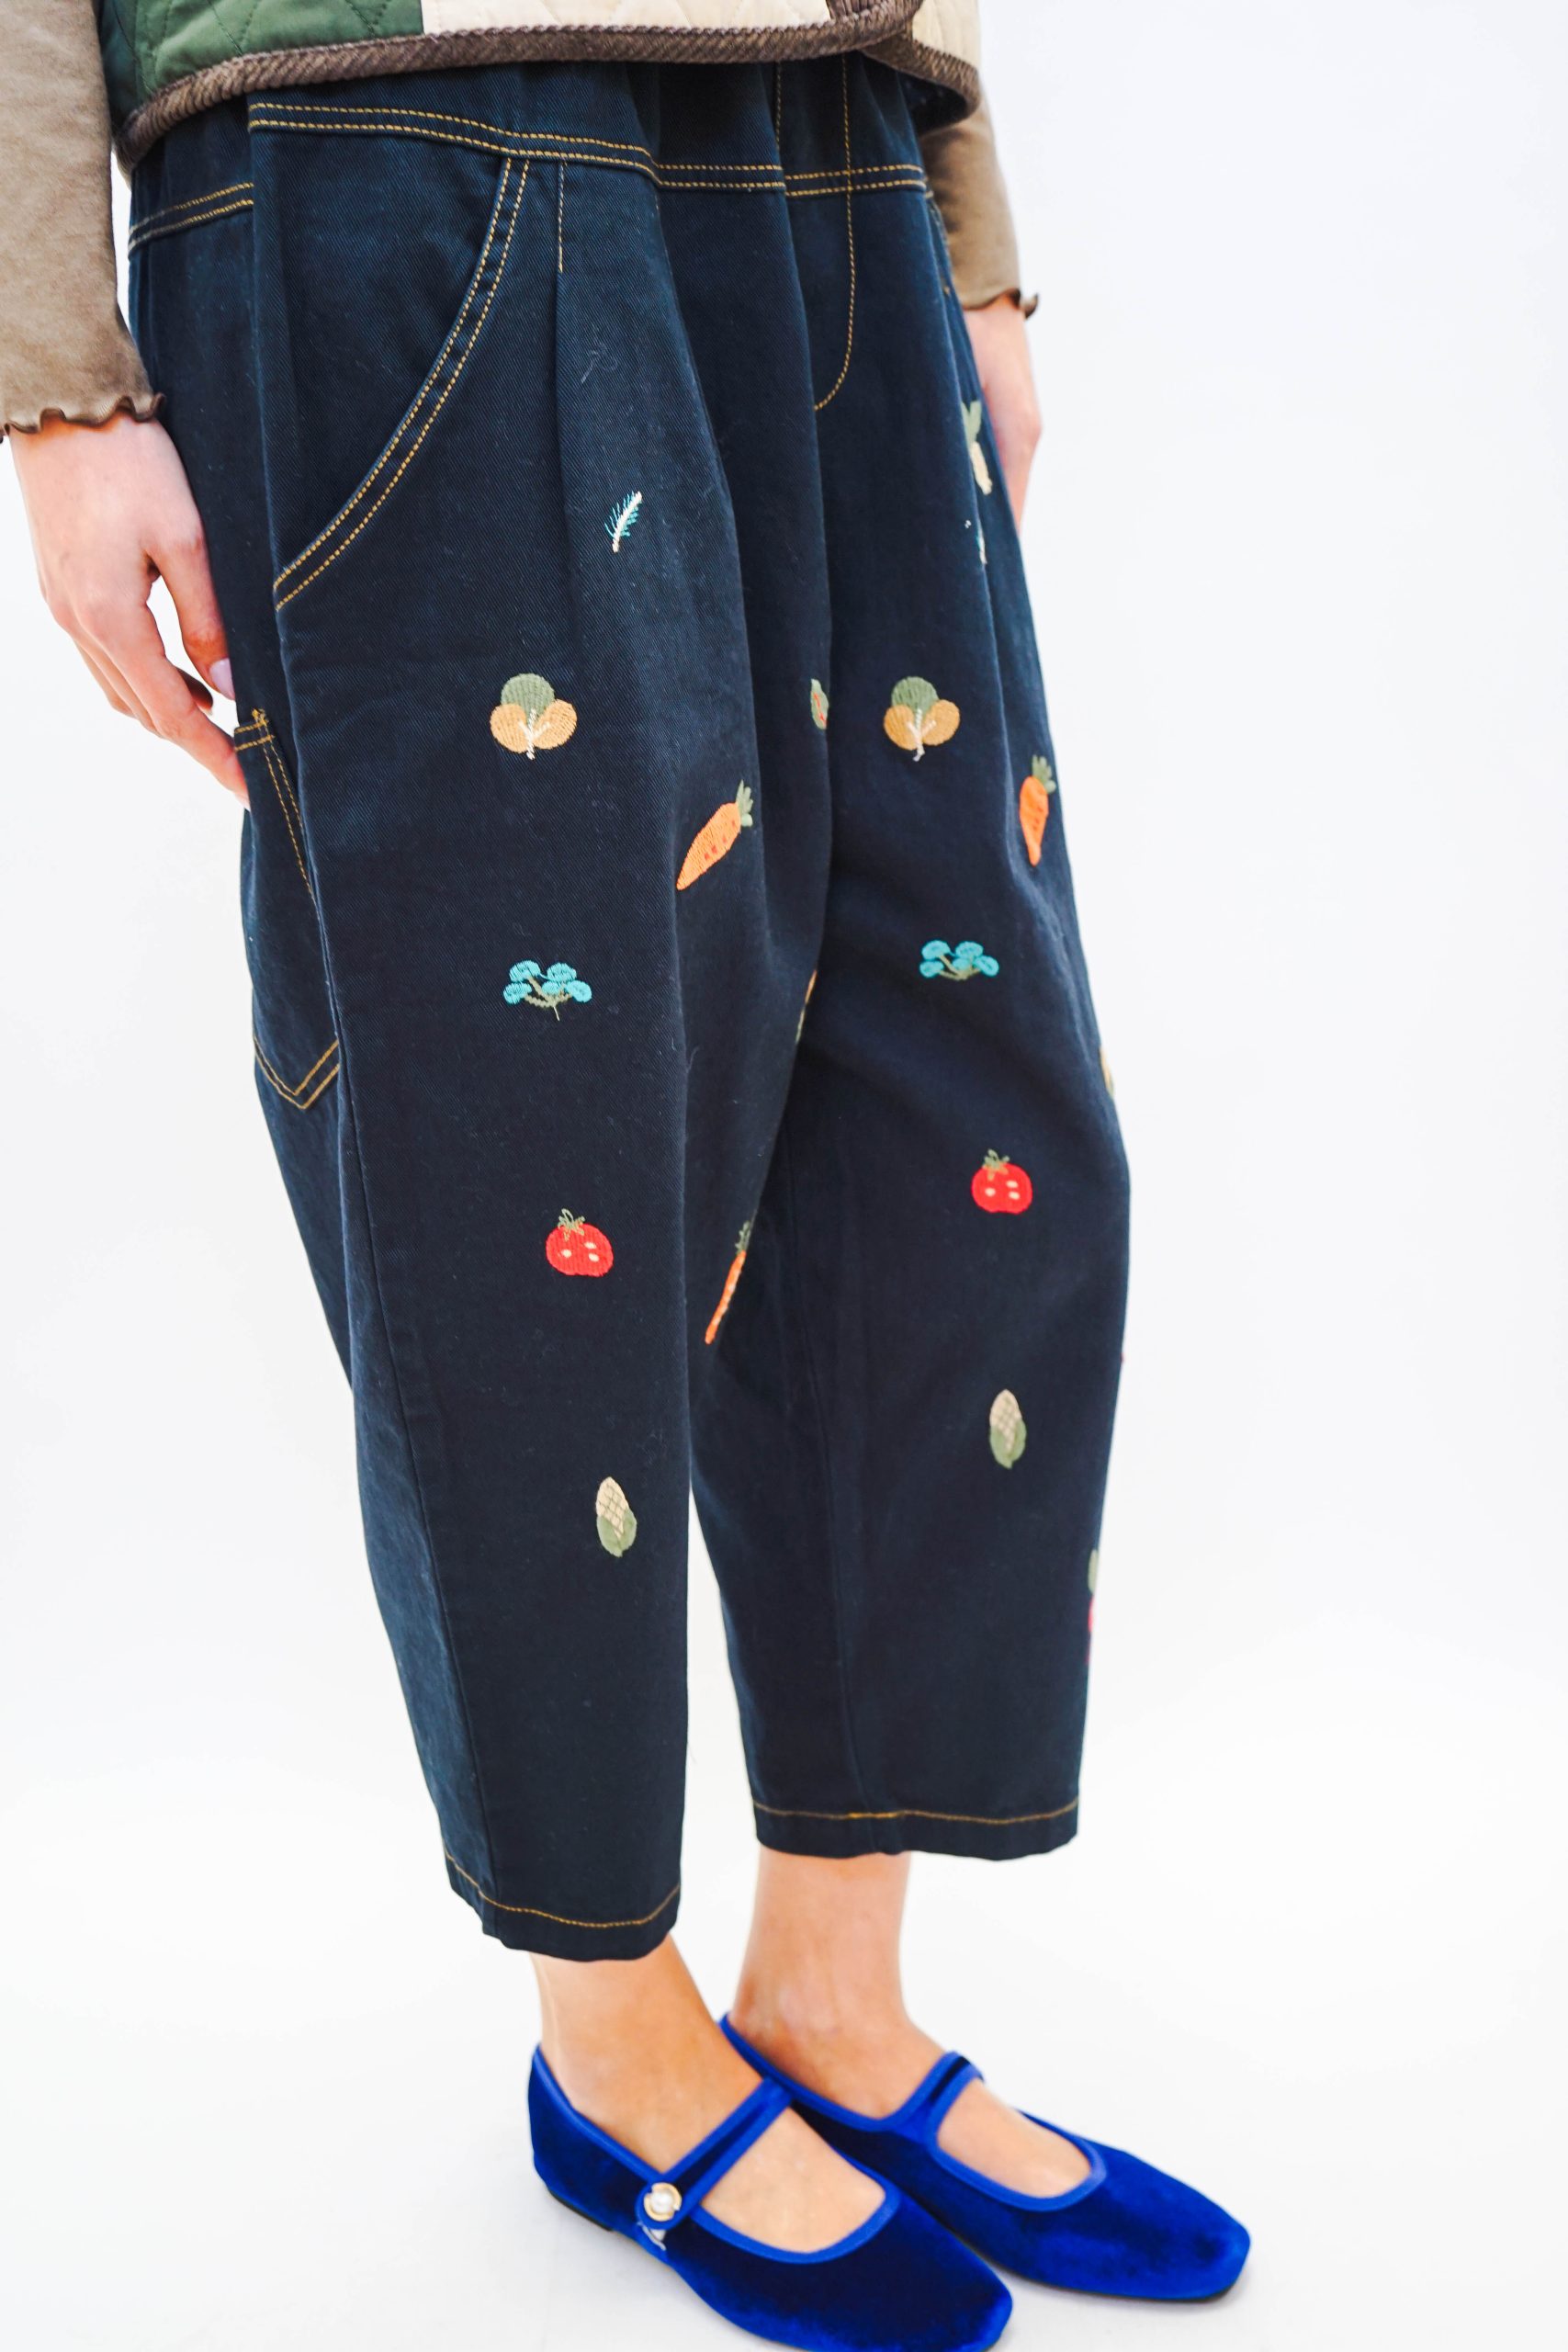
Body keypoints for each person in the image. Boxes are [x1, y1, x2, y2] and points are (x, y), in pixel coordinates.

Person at [2, 5, 1247, 2343]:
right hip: (394, 139)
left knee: (960, 1106)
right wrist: (54, 378)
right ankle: (610, 2035)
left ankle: (831, 1993)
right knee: (520, 1137)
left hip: (829, 130)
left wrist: (963, 218)